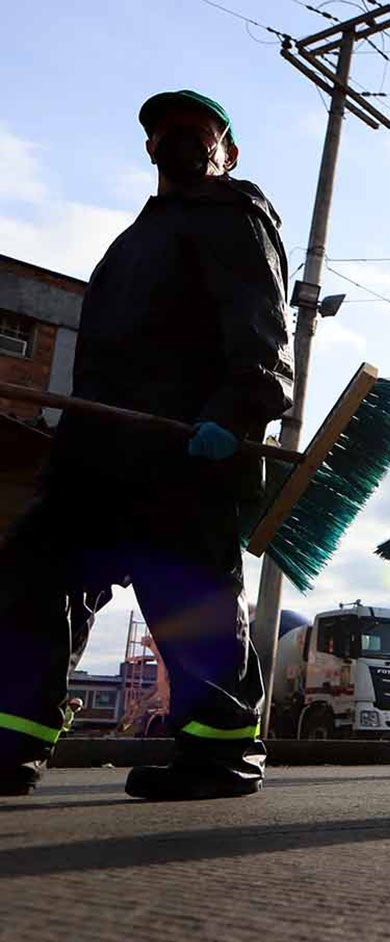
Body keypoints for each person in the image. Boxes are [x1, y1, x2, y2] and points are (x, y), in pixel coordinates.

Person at [0, 90, 292, 800]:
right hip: (95, 454)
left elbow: (260, 332)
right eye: (165, 129)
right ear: (149, 147)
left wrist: (235, 411)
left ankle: (221, 754)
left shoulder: (236, 217)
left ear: (229, 151)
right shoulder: (134, 239)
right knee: (31, 576)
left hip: (182, 454)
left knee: (189, 597)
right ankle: (13, 739)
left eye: (200, 129)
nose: (180, 138)